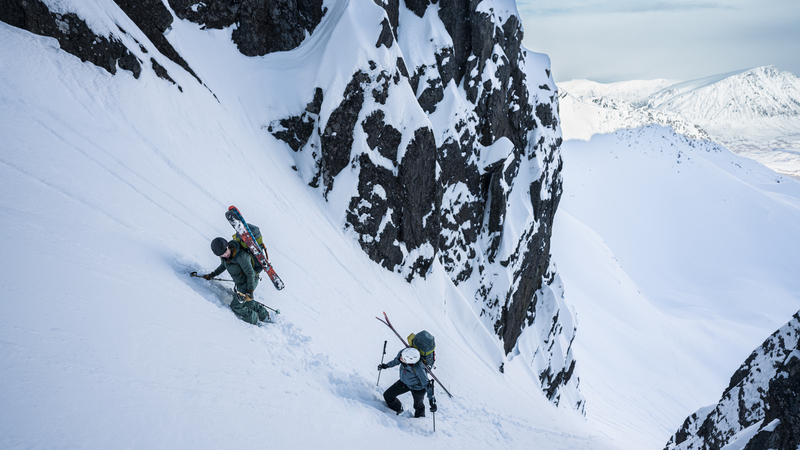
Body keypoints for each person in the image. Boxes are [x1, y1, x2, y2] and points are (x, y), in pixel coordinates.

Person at [200, 236, 269, 325]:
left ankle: (254, 320)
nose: (225, 255)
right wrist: (212, 275)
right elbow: (223, 265)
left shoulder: (241, 256)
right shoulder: (225, 257)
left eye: (225, 252)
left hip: (249, 282)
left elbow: (250, 274)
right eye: (222, 255)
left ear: (228, 246)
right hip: (241, 283)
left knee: (236, 306)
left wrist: (249, 291)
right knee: (248, 303)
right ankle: (264, 315)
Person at [378, 347, 437, 417]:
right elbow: (395, 361)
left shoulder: (419, 368)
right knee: (388, 395)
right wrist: (386, 366)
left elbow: (427, 385)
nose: (401, 357)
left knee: (418, 406)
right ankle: (398, 409)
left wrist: (432, 401)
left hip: (418, 388)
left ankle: (420, 420)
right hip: (404, 383)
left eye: (403, 358)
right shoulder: (403, 356)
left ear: (409, 360)